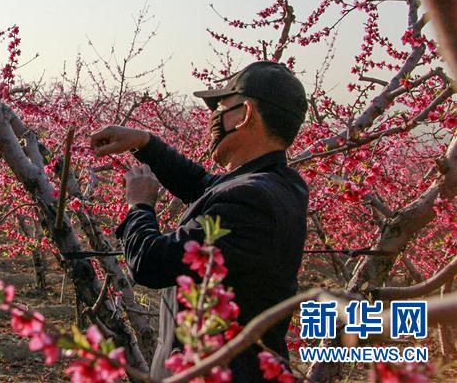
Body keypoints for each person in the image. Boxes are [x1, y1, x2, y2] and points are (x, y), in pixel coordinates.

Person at [90, 61, 309, 381]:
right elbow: (204, 186)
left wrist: (140, 205)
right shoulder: (280, 184)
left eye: (221, 108)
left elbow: (149, 263)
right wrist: (145, 143)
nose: (213, 119)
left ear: (245, 115)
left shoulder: (251, 201)